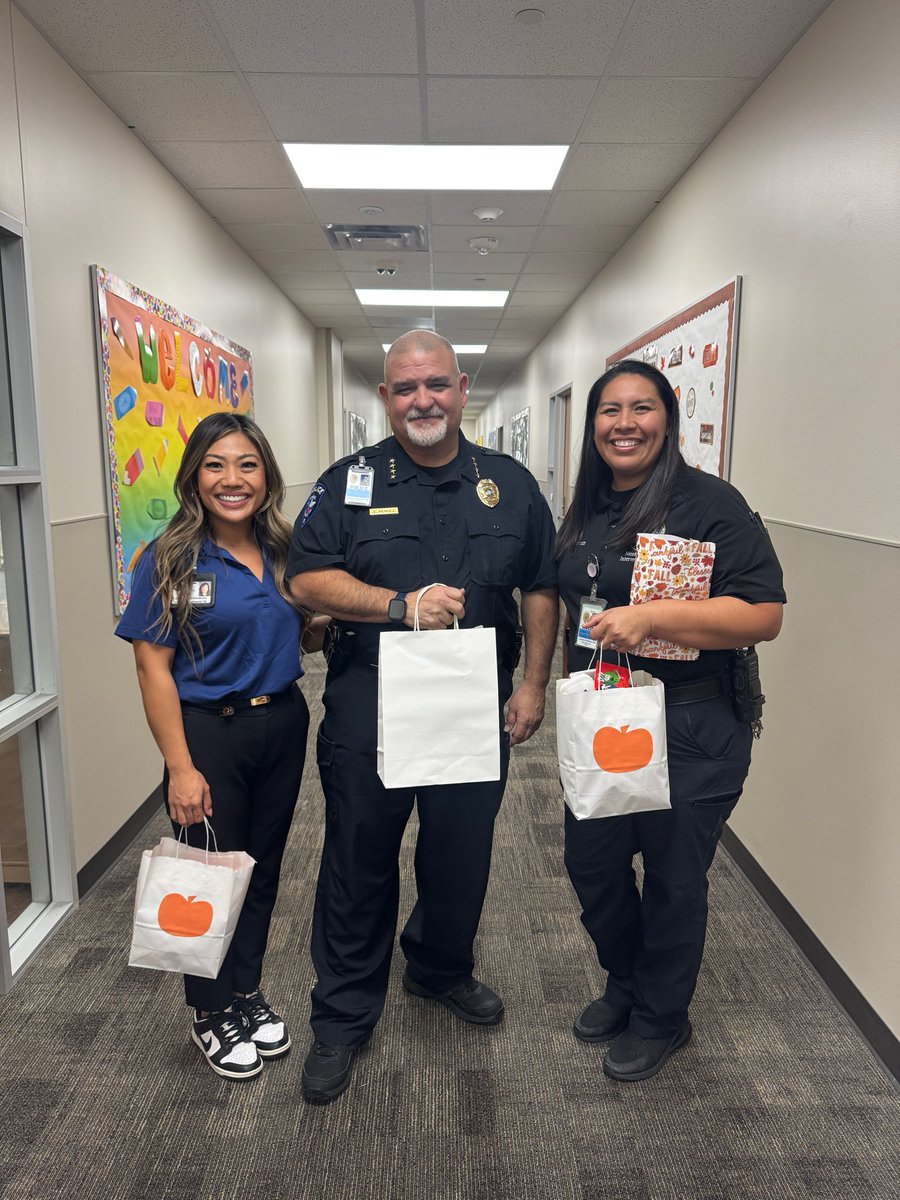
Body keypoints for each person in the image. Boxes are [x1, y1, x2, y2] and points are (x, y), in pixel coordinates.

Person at [287, 330, 558, 1104]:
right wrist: (394, 606)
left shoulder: (509, 483)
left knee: (459, 857)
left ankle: (440, 970)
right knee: (357, 859)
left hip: (475, 704)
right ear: (385, 397)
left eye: (435, 384)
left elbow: (540, 585)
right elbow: (306, 578)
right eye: (405, 389)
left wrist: (533, 683)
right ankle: (341, 1018)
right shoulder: (349, 482)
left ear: (462, 387)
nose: (422, 401)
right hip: (369, 701)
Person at [556, 360, 785, 1082]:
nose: (625, 424)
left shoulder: (710, 503)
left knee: (674, 878)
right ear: (592, 426)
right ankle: (626, 983)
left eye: (641, 408)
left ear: (669, 419)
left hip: (691, 725)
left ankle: (661, 1016)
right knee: (591, 865)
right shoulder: (589, 502)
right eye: (609, 411)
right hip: (607, 717)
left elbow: (763, 614)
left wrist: (655, 616)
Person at [116, 412, 324, 1080]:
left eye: (246, 465)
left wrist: (318, 628)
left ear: (266, 475)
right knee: (206, 876)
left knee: (258, 871)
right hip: (209, 731)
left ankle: (245, 991)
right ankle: (208, 1012)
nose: (232, 480)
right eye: (215, 465)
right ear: (194, 477)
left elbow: (292, 630)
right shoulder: (169, 558)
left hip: (283, 721)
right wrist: (180, 766)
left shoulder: (287, 547)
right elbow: (153, 667)